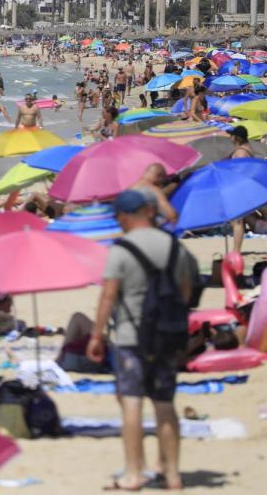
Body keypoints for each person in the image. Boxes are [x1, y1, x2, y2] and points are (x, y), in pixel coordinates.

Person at [86, 189, 198, 491]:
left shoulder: (122, 249)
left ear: (124, 216)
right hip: (167, 334)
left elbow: (108, 296)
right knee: (164, 403)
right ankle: (172, 474)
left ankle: (134, 473)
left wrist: (96, 335)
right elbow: (187, 289)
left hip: (130, 336)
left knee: (132, 403)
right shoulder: (174, 246)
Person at [231, 125, 255, 252]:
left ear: (237, 138)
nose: (230, 137)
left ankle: (236, 251)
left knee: (237, 221)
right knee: (242, 220)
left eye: (232, 135)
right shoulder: (247, 149)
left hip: (241, 188)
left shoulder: (240, 152)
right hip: (247, 188)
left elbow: (240, 172)